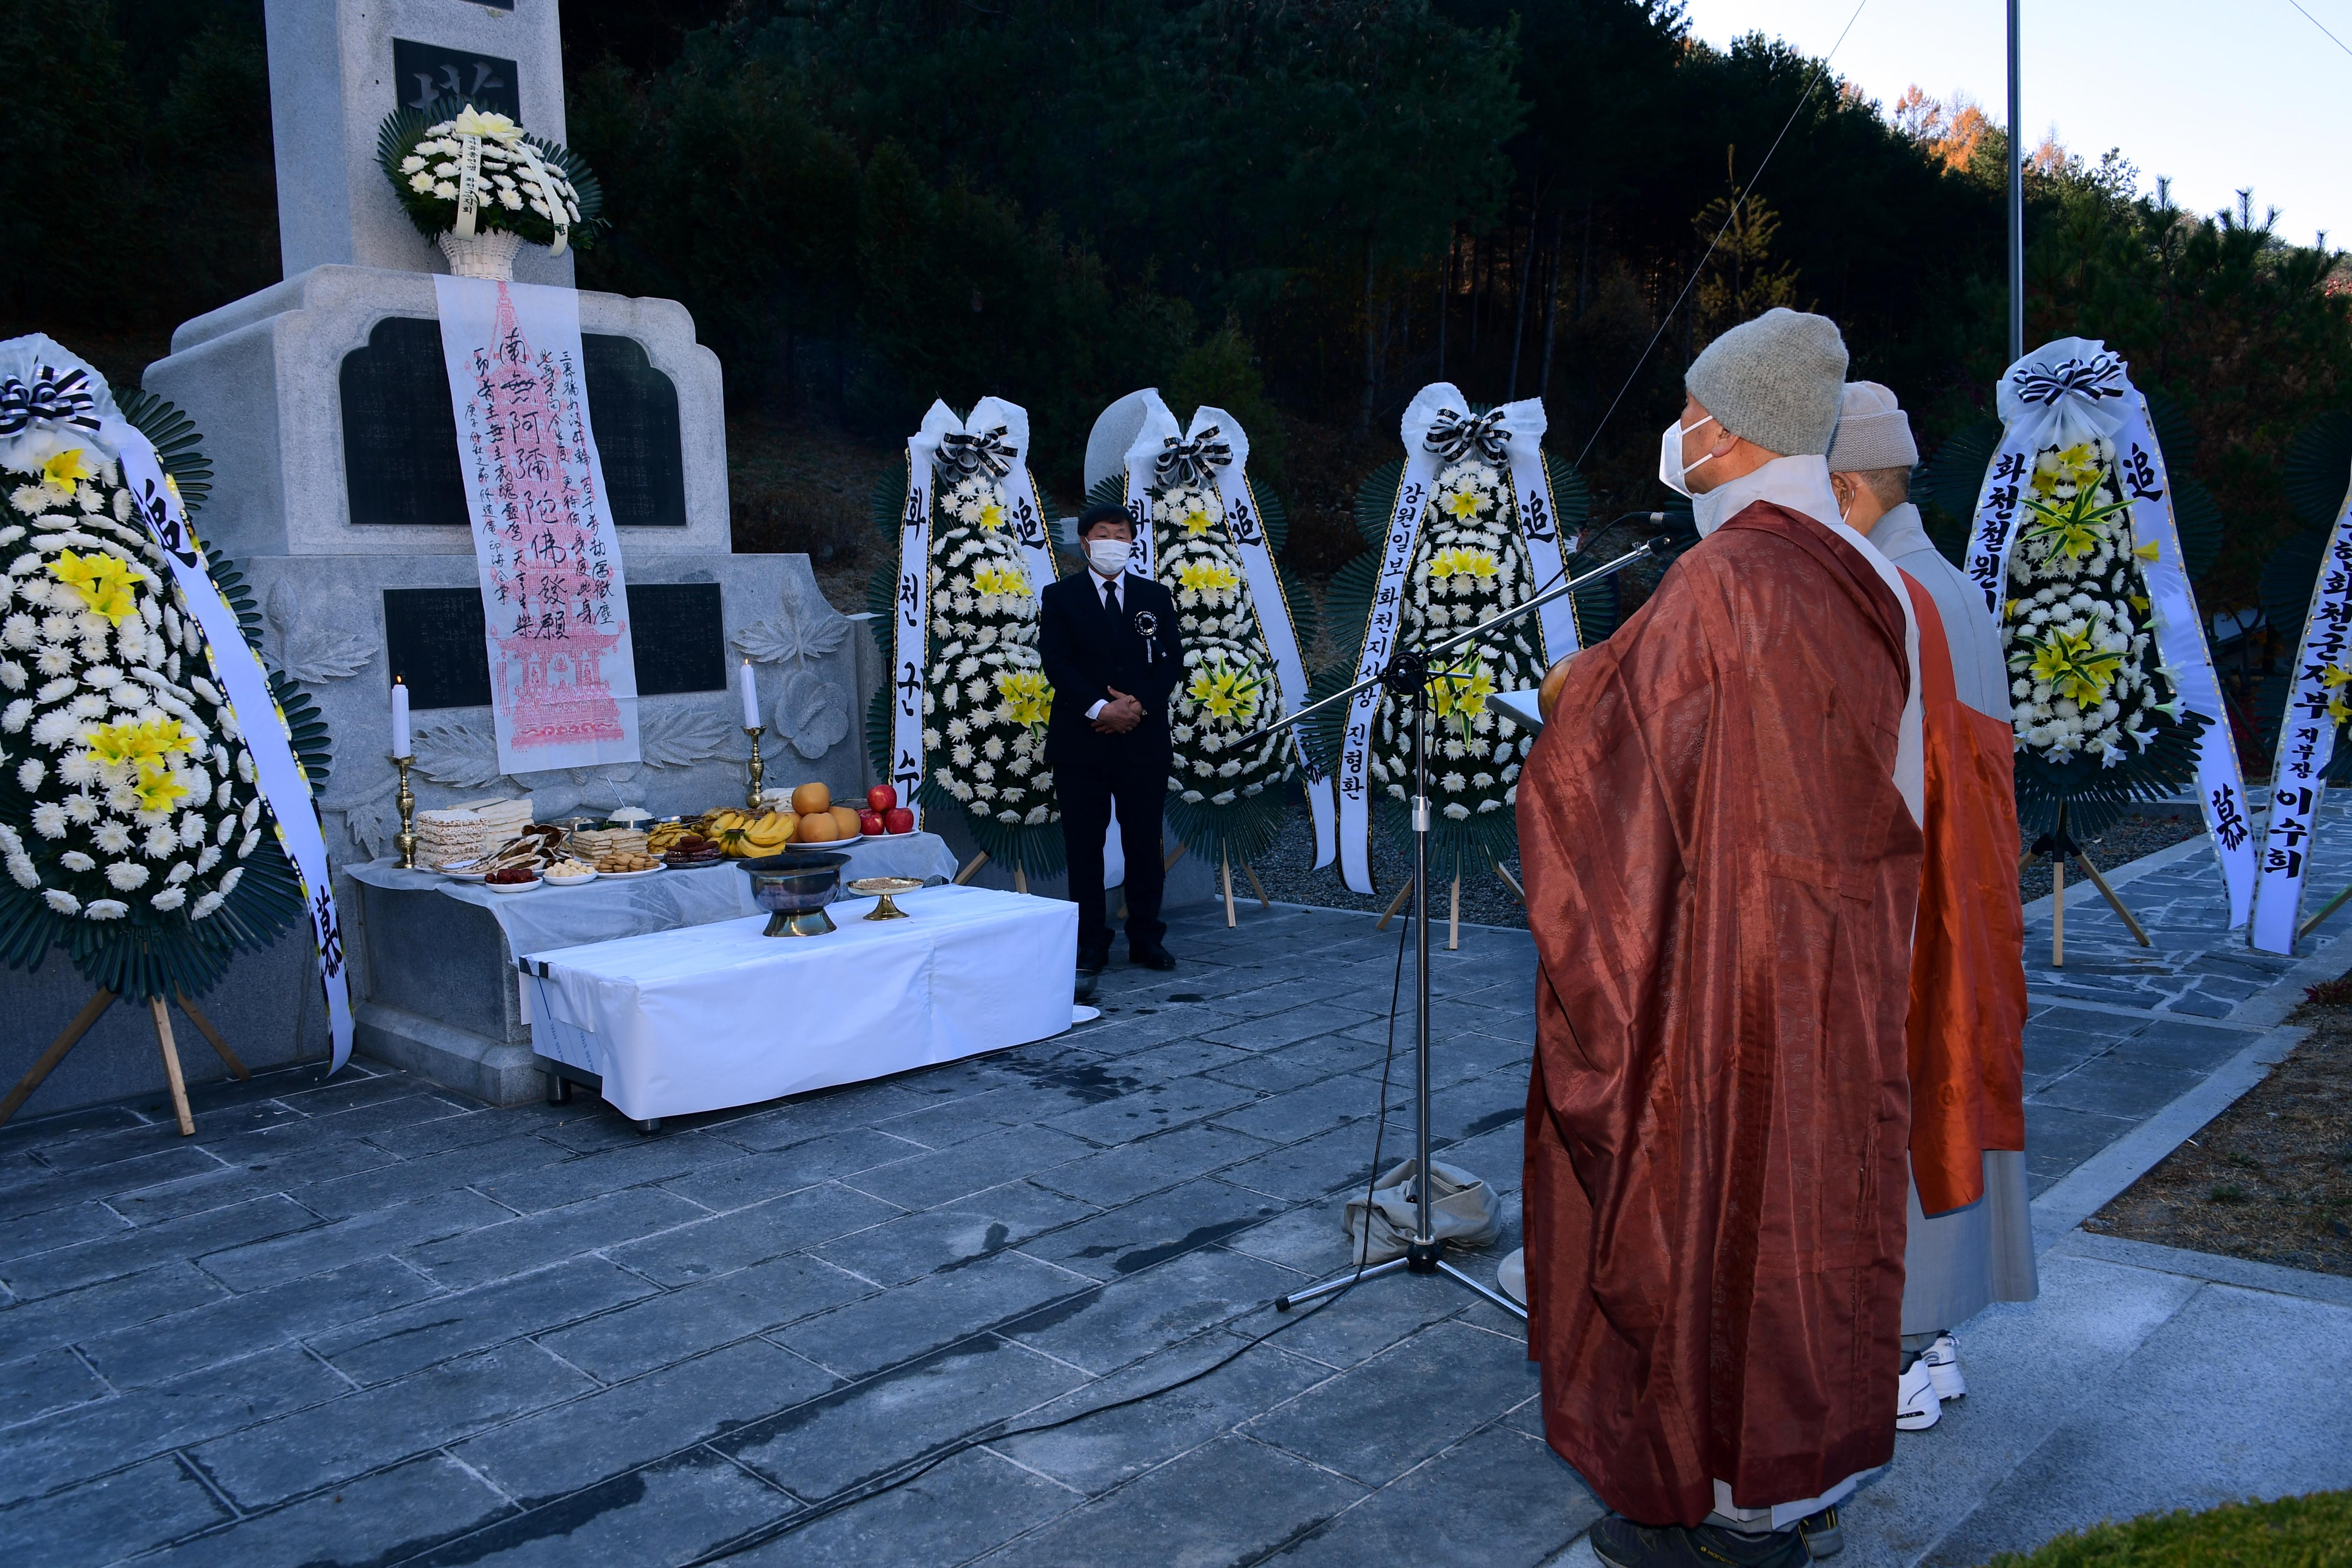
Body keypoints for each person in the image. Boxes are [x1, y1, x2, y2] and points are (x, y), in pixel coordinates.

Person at [1520, 308, 1925, 1568]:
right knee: (1811, 1213)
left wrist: (1568, 702)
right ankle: (1792, 1487)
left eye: (1690, 410)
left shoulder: (1719, 581)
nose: (1677, 433)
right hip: (1838, 965)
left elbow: (1620, 776)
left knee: (1698, 1218)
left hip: (1720, 966)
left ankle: (1714, 1502)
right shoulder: (1867, 579)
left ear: (1726, 426)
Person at [1827, 382, 2036, 1436]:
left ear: (1848, 489)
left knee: (1896, 1117)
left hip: (1910, 914)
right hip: (1964, 905)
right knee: (1945, 1102)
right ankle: (1932, 1341)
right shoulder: (1944, 584)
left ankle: (1898, 1355)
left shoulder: (1884, 598)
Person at [1038, 502, 1184, 974]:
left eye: (1121, 535)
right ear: (1084, 541)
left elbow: (1170, 663)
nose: (1113, 543)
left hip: (1142, 740)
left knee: (1145, 841)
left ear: (1132, 542)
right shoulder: (1060, 597)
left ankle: (1146, 937)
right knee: (1085, 845)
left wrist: (1135, 706)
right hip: (1082, 743)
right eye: (1104, 534)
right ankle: (1090, 942)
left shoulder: (1155, 596)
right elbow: (1057, 664)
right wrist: (1102, 709)